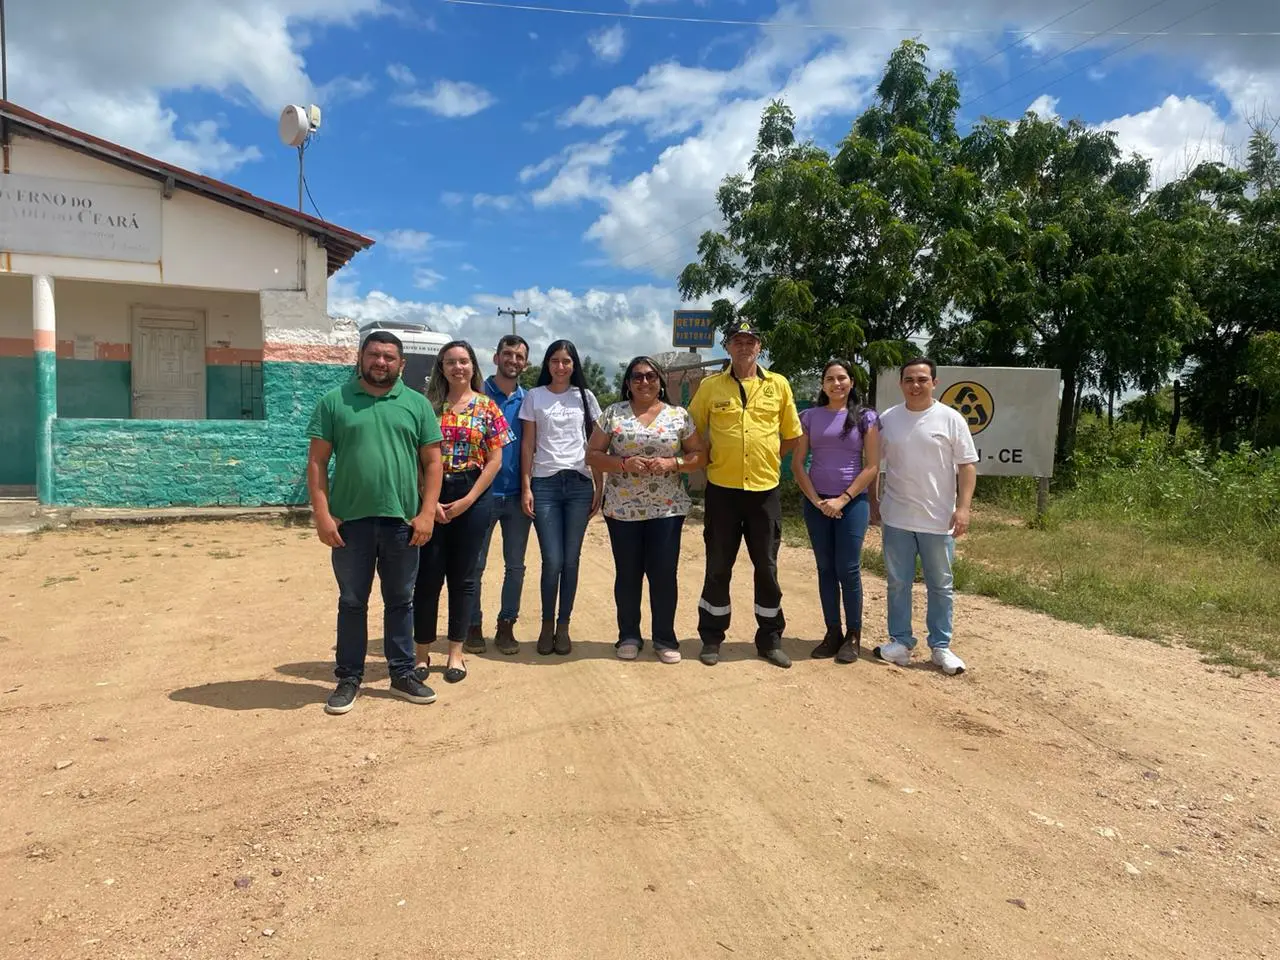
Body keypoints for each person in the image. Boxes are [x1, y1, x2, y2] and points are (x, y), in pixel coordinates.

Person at [306, 330, 443, 715]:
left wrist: (427, 512)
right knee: (352, 602)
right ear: (361, 358)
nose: (380, 362)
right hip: (350, 523)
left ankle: (402, 673)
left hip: (402, 522)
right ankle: (349, 677)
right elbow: (317, 462)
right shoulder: (335, 401)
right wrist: (322, 515)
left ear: (401, 364)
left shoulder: (416, 404)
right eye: (374, 355)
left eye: (389, 357)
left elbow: (433, 462)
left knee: (400, 600)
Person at [687, 318, 803, 668]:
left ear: (759, 347)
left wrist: (769, 458)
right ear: (727, 347)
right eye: (737, 341)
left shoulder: (778, 385)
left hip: (764, 492)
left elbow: (791, 436)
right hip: (722, 491)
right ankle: (711, 637)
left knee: (766, 567)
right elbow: (692, 430)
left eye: (750, 341)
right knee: (718, 565)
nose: (744, 346)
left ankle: (770, 639)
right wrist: (708, 458)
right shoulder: (710, 387)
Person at [587, 357, 706, 663]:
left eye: (651, 376)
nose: (644, 382)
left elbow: (699, 455)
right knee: (628, 574)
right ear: (628, 383)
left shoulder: (679, 416)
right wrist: (623, 463)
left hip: (667, 509)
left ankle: (664, 638)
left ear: (660, 382)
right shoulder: (613, 414)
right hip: (622, 510)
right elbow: (593, 455)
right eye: (637, 377)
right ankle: (628, 635)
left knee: (663, 575)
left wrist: (673, 463)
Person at [412, 340, 514, 684]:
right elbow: (416, 455)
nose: (458, 367)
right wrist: (428, 499)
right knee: (428, 576)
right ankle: (421, 653)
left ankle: (456, 652)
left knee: (464, 578)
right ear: (441, 368)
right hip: (431, 492)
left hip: (473, 494)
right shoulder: (426, 407)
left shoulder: (487, 407)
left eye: (464, 361)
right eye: (451, 362)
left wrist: (469, 500)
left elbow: (495, 460)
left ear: (473, 366)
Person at [873, 356, 978, 676]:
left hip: (938, 519)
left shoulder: (951, 419)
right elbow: (873, 464)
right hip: (897, 517)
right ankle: (900, 642)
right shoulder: (888, 419)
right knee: (897, 583)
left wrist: (963, 508)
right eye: (909, 380)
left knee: (941, 585)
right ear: (900, 384)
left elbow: (967, 466)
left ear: (934, 382)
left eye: (922, 379)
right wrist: (873, 502)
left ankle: (941, 646)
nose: (915, 385)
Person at [792, 360, 881, 663]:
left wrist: (842, 499)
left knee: (848, 568)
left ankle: (853, 636)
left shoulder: (866, 417)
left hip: (852, 503)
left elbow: (872, 466)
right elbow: (798, 464)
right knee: (825, 568)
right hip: (816, 504)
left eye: (842, 378)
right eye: (829, 378)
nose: (836, 383)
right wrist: (817, 501)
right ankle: (832, 632)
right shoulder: (809, 417)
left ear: (851, 382)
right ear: (822, 384)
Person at [520, 339, 604, 656]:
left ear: (574, 365)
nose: (560, 366)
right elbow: (528, 445)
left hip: (580, 484)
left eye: (566, 361)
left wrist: (599, 486)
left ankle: (564, 625)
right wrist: (526, 486)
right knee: (552, 560)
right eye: (555, 360)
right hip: (545, 485)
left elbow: (596, 444)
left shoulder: (586, 397)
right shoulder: (535, 396)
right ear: (547, 364)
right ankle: (546, 625)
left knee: (571, 560)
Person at [467, 335, 533, 656]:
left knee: (516, 566)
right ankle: (472, 625)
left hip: (518, 496)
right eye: (507, 354)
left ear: (526, 364)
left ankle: (506, 625)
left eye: (519, 356)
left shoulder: (529, 400)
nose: (513, 360)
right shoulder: (477, 394)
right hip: (482, 494)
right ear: (496, 358)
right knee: (474, 565)